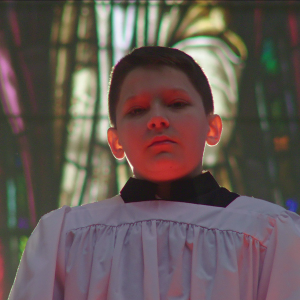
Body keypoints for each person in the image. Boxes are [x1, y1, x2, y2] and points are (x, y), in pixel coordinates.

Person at [9, 46, 300, 300]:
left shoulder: (269, 234)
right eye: (137, 110)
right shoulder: (66, 238)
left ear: (212, 128)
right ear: (116, 141)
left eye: (176, 104)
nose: (158, 119)